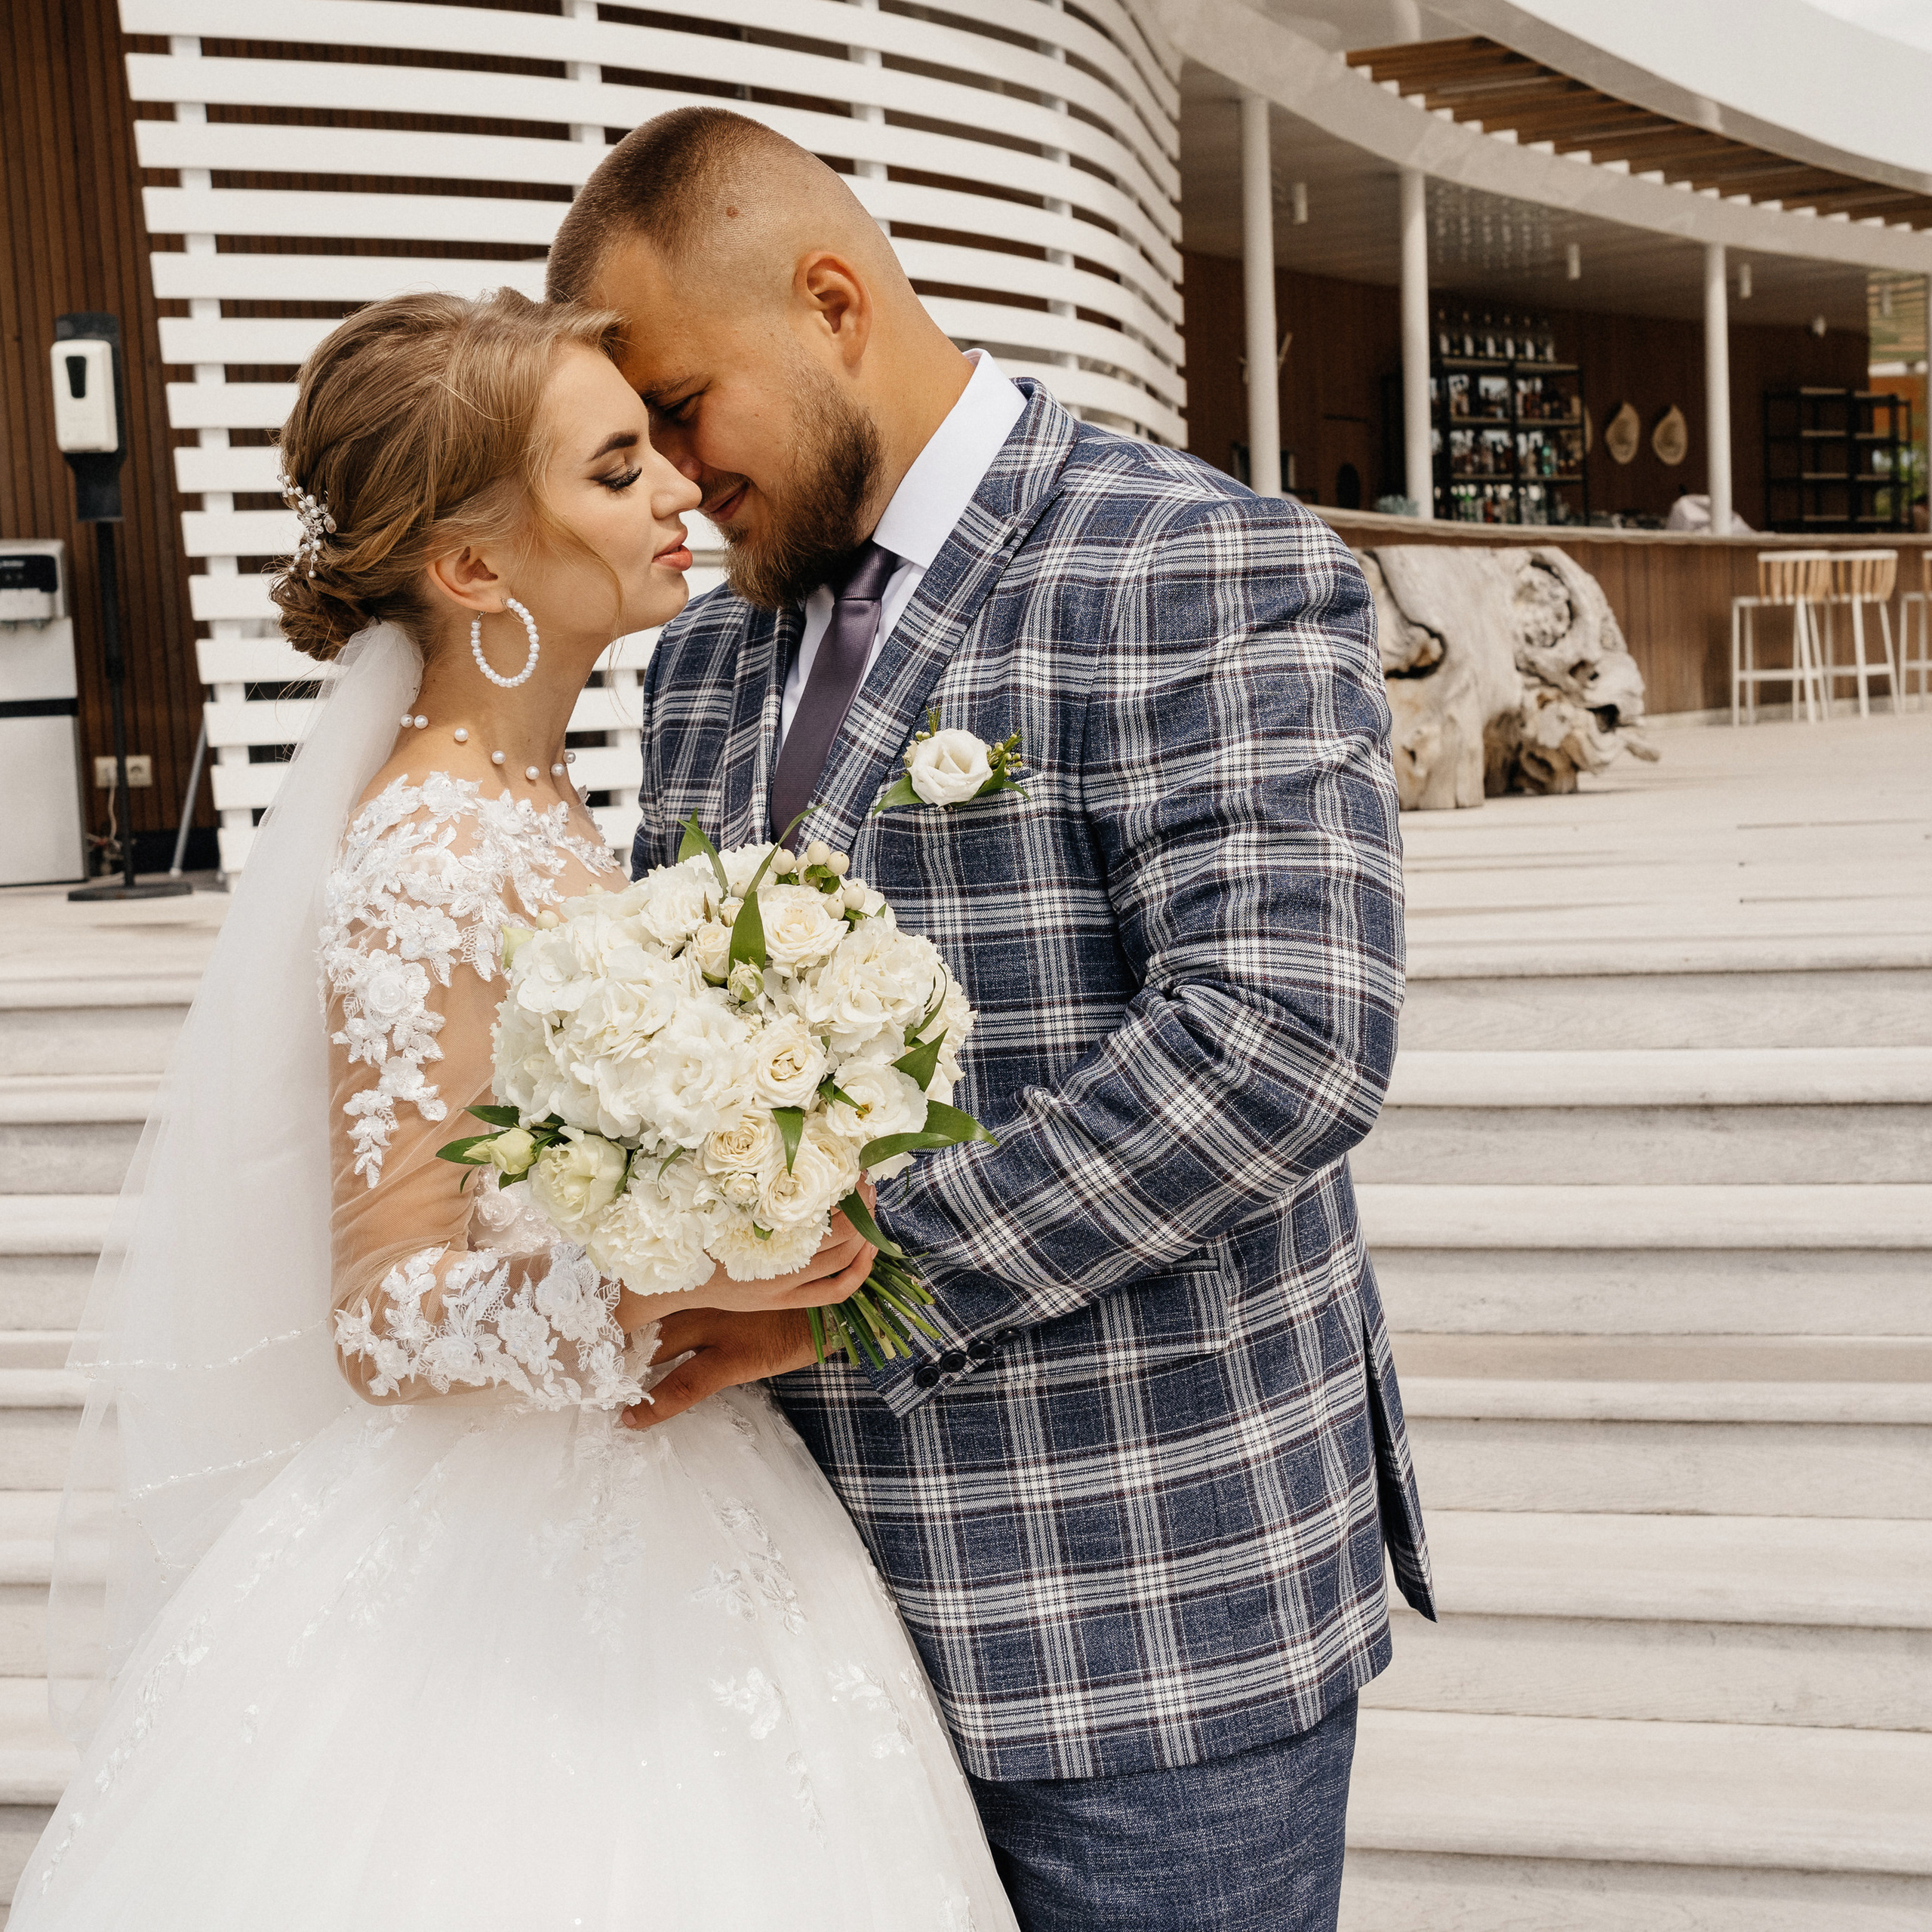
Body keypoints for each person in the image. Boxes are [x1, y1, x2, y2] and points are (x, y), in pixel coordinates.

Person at [14, 288, 1018, 1930]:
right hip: (516, 1557)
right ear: (474, 569)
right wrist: (641, 1283)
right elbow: (384, 1314)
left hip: (688, 1496)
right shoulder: (427, 849)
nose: (680, 491)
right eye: (617, 470)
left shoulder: (547, 800)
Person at [548, 106, 1433, 1932]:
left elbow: (1280, 1039)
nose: (673, 477)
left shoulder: (1190, 557)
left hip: (1145, 1616)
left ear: (830, 301)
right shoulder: (711, 658)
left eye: (687, 408)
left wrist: (843, 1286)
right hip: (795, 1636)